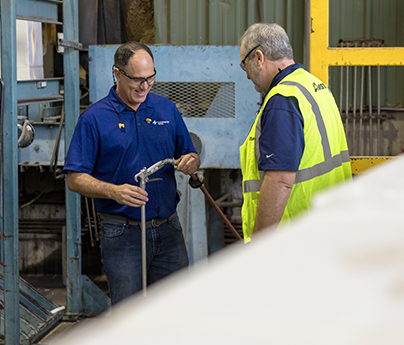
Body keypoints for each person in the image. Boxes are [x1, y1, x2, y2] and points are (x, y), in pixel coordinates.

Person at [64, 41, 200, 305]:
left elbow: (190, 153)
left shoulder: (166, 109)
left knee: (179, 310)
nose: (144, 86)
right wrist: (113, 191)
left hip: (169, 229)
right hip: (122, 233)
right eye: (137, 80)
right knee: (129, 315)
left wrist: (191, 161)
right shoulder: (94, 119)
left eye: (150, 78)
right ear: (117, 73)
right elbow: (74, 178)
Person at [238, 23, 352, 243]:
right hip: (327, 227)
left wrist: (260, 246)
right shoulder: (315, 85)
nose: (247, 76)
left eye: (245, 66)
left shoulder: (283, 100)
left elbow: (280, 181)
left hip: (295, 236)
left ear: (259, 58)